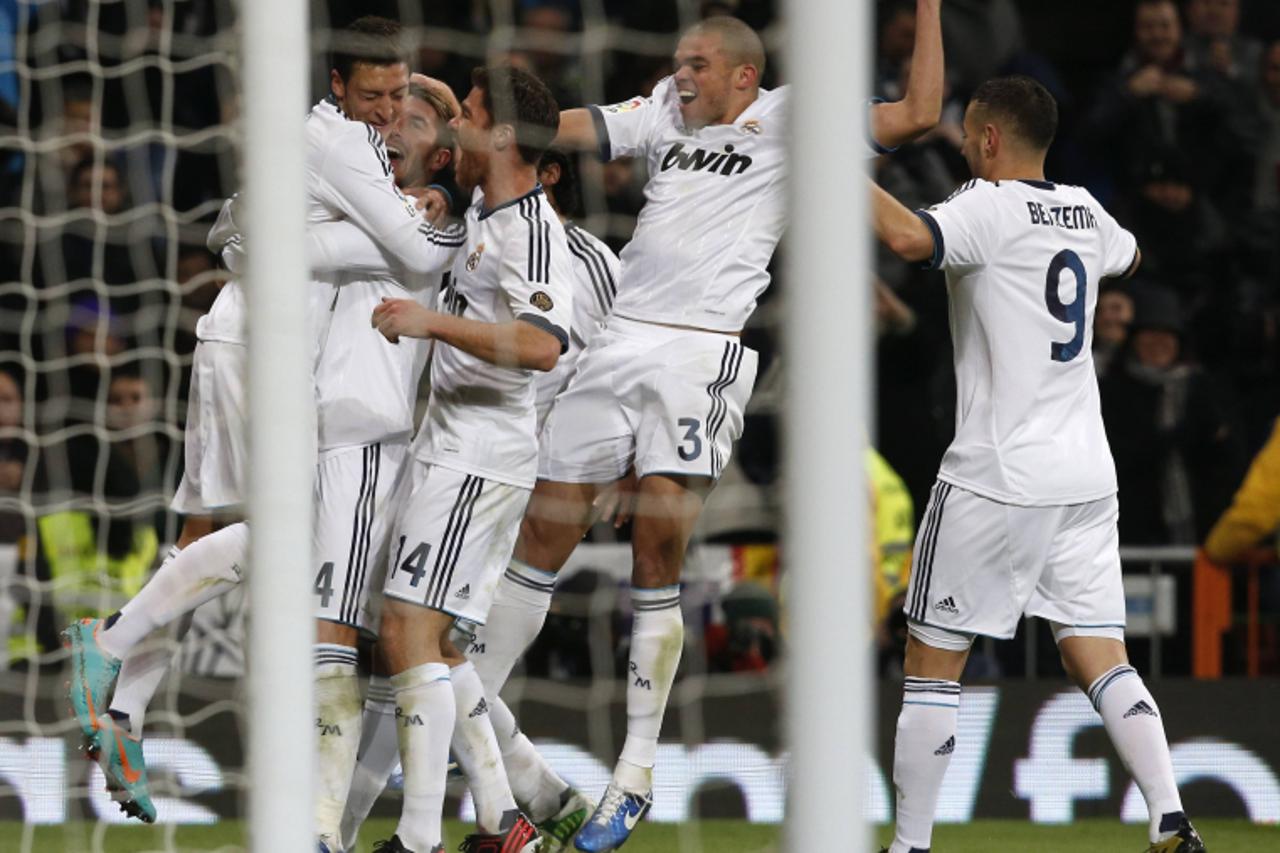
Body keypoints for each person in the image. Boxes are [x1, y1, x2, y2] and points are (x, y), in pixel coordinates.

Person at [459, 8, 945, 852]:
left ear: (743, 76)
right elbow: (571, 127)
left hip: (699, 356)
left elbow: (915, 114)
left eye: (697, 64)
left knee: (656, 553)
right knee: (541, 532)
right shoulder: (661, 112)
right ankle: (478, 726)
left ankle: (635, 773)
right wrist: (488, 127)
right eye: (678, 62)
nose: (681, 74)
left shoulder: (794, 116)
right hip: (615, 347)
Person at [61, 16, 463, 833]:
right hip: (253, 346)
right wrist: (391, 230)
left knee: (210, 533)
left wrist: (301, 240)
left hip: (250, 341)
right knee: (280, 534)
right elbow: (414, 258)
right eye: (376, 95)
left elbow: (234, 235)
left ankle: (124, 710)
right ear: (340, 87)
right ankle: (108, 641)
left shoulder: (317, 143)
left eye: (400, 96)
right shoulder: (345, 145)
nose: (387, 110)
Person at [869, 75, 1205, 853]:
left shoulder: (985, 205)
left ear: (989, 139)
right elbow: (1131, 252)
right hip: (1085, 472)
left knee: (932, 658)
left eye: (966, 137)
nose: (959, 146)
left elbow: (910, 239)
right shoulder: (1085, 210)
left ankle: (910, 846)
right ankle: (1169, 816)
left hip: (997, 471)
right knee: (1099, 650)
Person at [365, 65, 570, 853]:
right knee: (442, 645)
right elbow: (458, 126)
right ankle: (500, 825)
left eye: (472, 118)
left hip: (479, 451)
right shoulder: (489, 205)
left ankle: (417, 839)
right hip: (456, 445)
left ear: (506, 136)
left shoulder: (533, 232)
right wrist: (427, 87)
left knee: (405, 629)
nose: (455, 131)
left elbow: (541, 344)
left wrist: (430, 323)